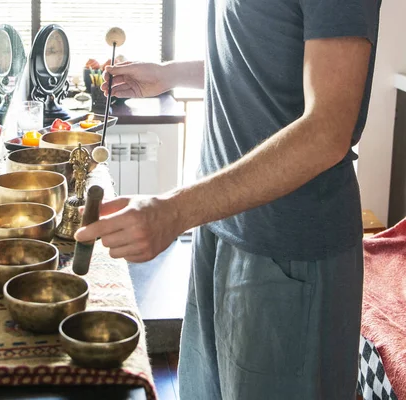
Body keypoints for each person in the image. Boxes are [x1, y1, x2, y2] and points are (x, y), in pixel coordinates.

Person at [74, 1, 382, 399]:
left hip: (287, 252)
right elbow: (262, 56)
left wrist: (176, 210)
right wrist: (169, 75)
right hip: (219, 227)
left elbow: (327, 132)